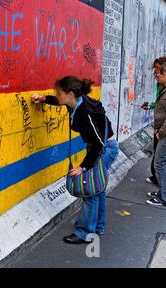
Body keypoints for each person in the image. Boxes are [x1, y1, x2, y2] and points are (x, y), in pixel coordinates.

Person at [32, 76, 119, 244]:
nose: (57, 95)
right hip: (102, 147)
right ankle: (98, 226)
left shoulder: (85, 112)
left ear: (70, 93)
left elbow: (97, 142)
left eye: (59, 92)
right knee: (98, 188)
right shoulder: (75, 102)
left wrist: (84, 167)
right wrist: (43, 99)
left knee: (91, 191)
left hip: (103, 149)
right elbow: (59, 102)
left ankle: (85, 233)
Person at [141, 57, 166, 185]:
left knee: (160, 161)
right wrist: (150, 106)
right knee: (159, 159)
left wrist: (161, 131)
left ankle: (164, 193)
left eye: (159, 70)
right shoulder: (161, 86)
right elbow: (158, 103)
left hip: (164, 129)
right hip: (160, 127)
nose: (155, 73)